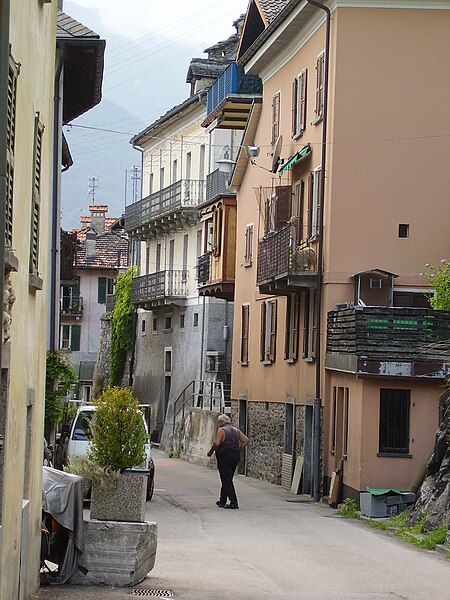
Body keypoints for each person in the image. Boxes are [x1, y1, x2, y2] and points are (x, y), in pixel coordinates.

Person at [207, 414, 250, 509]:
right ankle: (222, 501)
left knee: (226, 479)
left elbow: (217, 443)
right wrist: (239, 449)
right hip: (235, 456)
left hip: (224, 456)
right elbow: (246, 440)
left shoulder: (221, 430)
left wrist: (211, 451)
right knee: (228, 478)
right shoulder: (235, 430)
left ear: (220, 423)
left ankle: (234, 502)